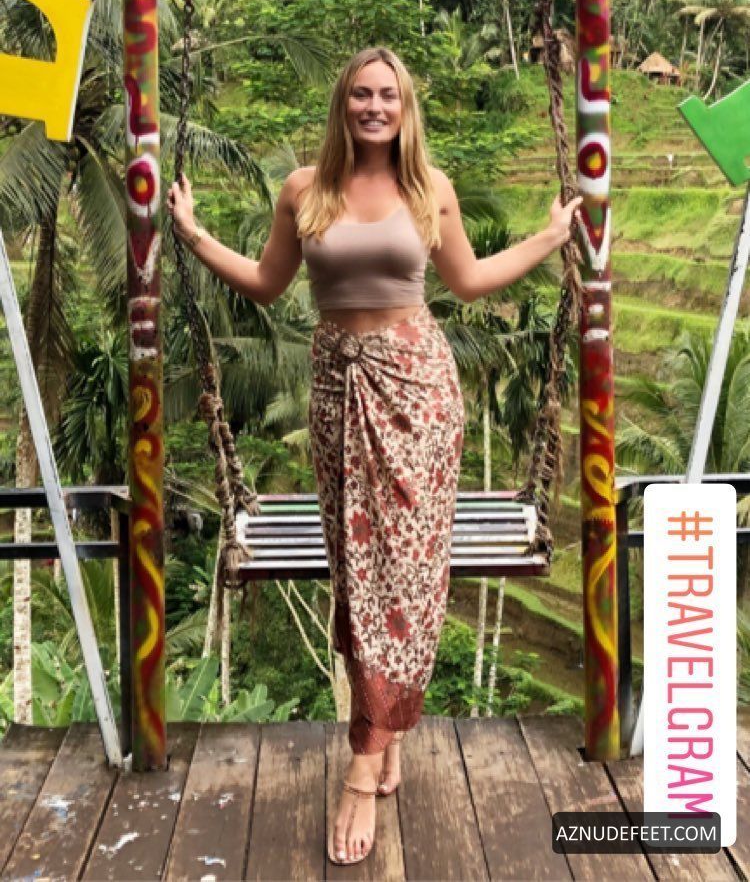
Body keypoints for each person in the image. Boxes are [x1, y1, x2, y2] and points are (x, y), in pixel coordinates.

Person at [167, 45, 582, 866]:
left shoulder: (429, 190)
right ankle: (385, 732)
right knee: (357, 571)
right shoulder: (305, 191)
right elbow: (266, 282)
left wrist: (548, 237)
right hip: (335, 393)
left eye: (388, 94)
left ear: (405, 106)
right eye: (361, 93)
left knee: (406, 572)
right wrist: (194, 234)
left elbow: (469, 280)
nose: (374, 106)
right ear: (343, 104)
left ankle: (362, 766)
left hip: (418, 394)